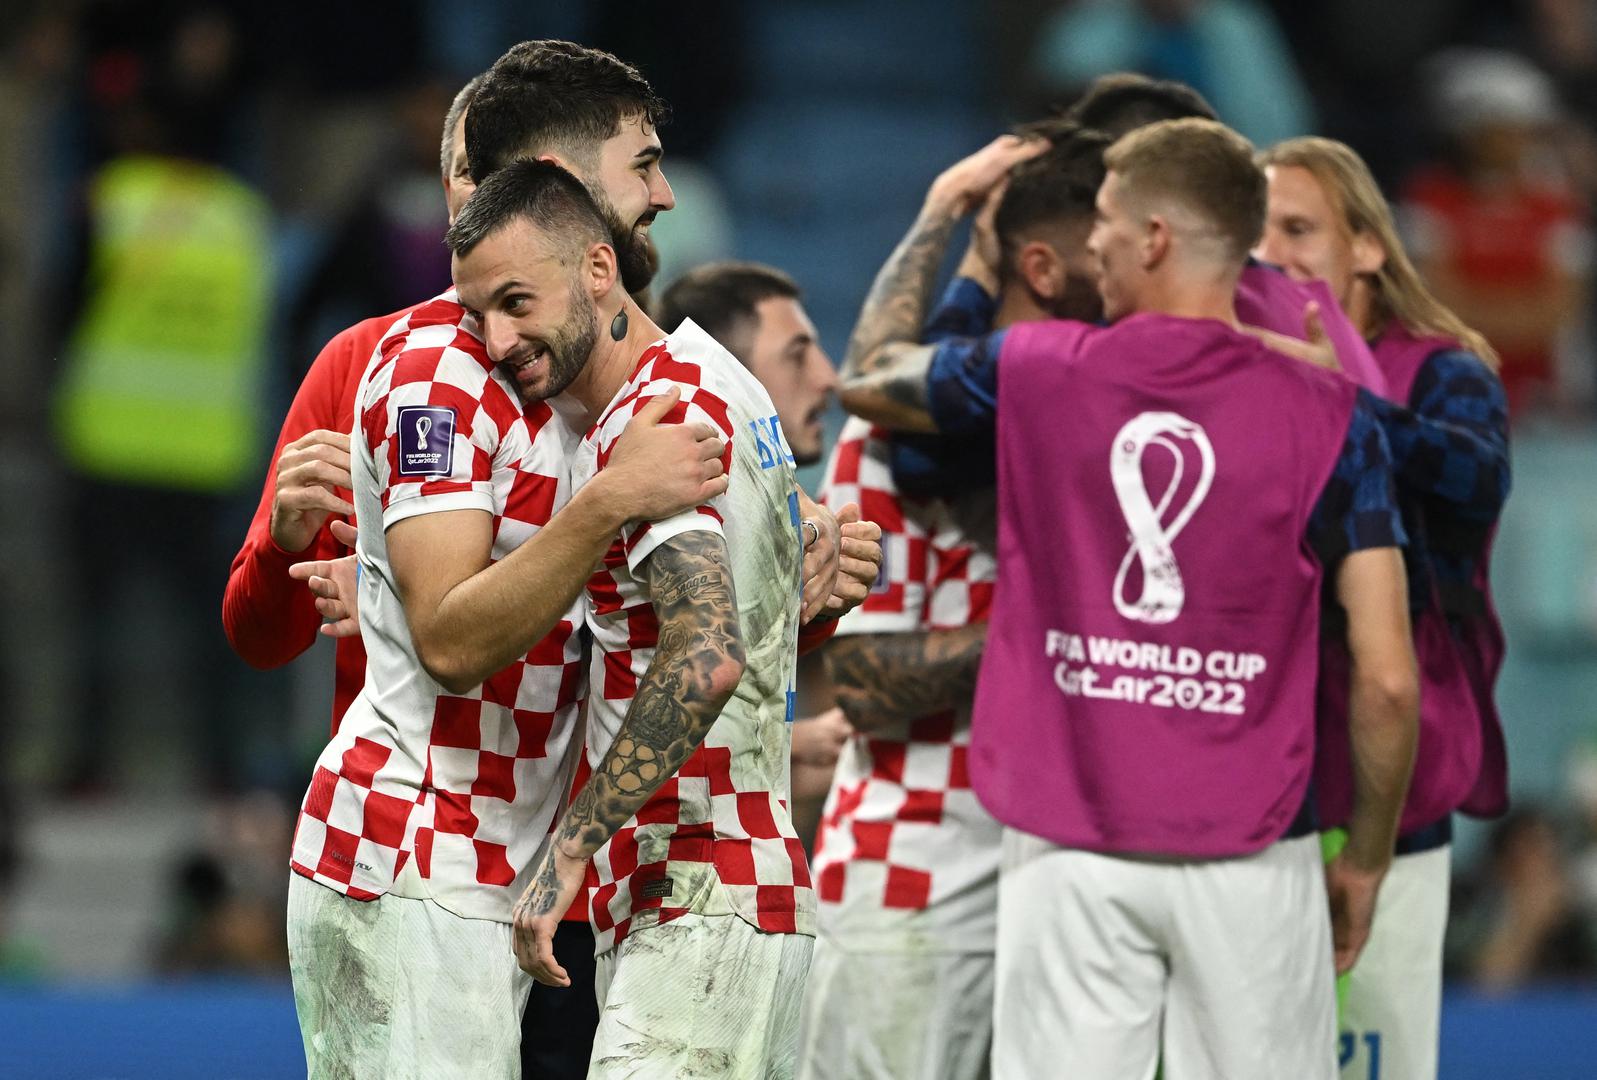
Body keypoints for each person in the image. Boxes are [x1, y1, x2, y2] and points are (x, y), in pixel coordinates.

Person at [837, 118, 1419, 1079]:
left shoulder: (1038, 369)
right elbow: (1388, 681)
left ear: (1152, 238)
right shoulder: (1332, 415)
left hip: (1068, 851)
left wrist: (950, 220)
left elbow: (868, 376)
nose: (1093, 241)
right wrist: (1364, 858)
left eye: (1106, 219)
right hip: (1254, 854)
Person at [449, 159, 816, 1078]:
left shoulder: (649, 420)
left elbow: (707, 653)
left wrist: (568, 849)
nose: (497, 340)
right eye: (478, 314)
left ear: (598, 269)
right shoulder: (710, 376)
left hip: (699, 888)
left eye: (517, 302)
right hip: (724, 887)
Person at [793, 125, 1108, 1080]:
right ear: (1044, 268)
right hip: (916, 881)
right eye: (1112, 248)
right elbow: (860, 679)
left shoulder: (1121, 415)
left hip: (1082, 878)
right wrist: (1050, 625)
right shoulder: (888, 440)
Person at [1255, 134, 1512, 1080]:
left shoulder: (1443, 370)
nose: (1271, 253)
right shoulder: (1233, 367)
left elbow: (1475, 479)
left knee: (1370, 1060)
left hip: (1389, 779)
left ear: (1366, 245)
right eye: (1254, 233)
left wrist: (1336, 398)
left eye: (1298, 229)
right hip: (1261, 773)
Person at [223, 75, 482, 730]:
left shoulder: (606, 377)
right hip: (384, 787)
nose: (482, 195)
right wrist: (283, 547)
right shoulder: (355, 362)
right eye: (466, 173)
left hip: (566, 786)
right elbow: (259, 640)